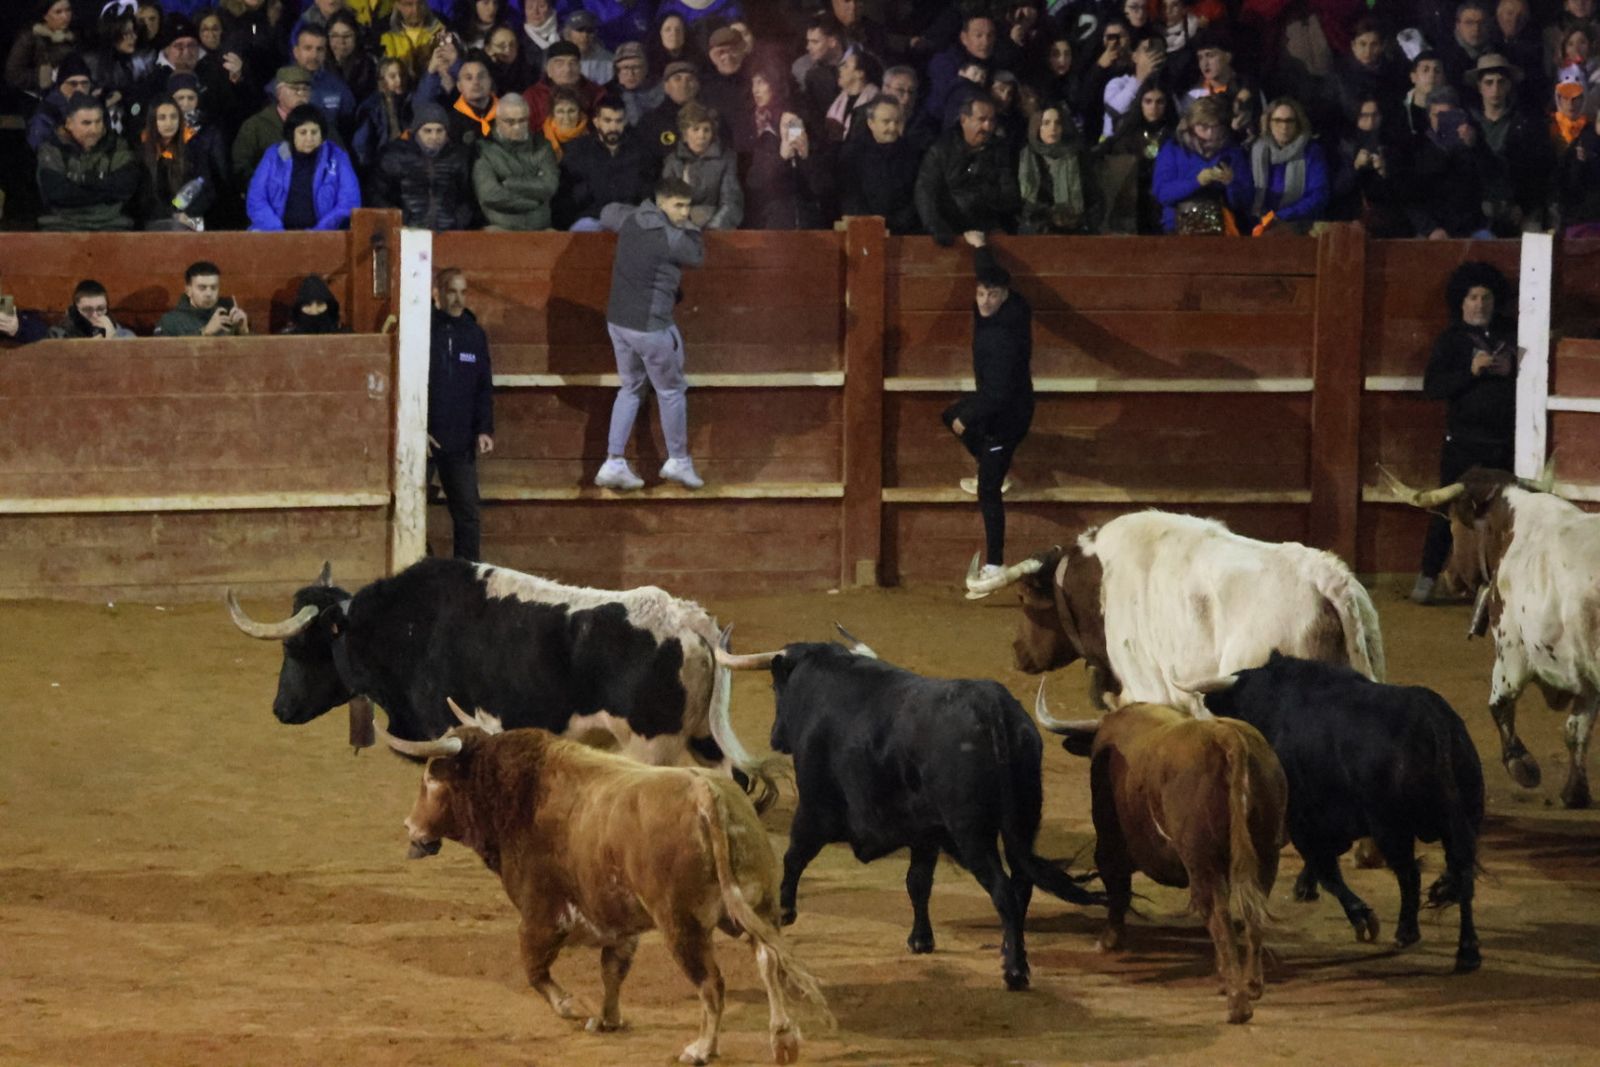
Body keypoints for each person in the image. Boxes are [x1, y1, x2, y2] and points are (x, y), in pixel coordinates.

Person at [1411, 262, 1518, 604]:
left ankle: (1505, 584)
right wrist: (1470, 372)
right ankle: (1427, 577)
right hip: (1464, 444)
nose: (1480, 304)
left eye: (1486, 297)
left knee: (1507, 514)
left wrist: (1514, 369)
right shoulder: (1451, 340)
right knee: (1446, 510)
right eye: (1473, 297)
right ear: (1461, 301)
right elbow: (1432, 388)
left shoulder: (1511, 335)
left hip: (1506, 443)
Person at [593, 177, 706, 492]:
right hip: (650, 326)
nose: (684, 212)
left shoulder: (631, 218)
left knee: (630, 388)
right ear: (662, 203)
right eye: (678, 205)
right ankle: (678, 459)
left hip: (618, 322)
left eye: (687, 206)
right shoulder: (672, 237)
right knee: (671, 390)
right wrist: (694, 225)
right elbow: (696, 255)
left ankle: (614, 460)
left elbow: (606, 213)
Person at [949, 232, 1032, 590]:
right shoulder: (1015, 305)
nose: (984, 301)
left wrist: (966, 418)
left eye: (992, 295)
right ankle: (992, 467)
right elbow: (987, 272)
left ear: (1005, 296)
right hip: (1003, 402)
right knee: (948, 416)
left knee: (987, 492)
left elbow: (997, 396)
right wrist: (980, 246)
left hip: (1006, 416)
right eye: (980, 293)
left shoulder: (1003, 338)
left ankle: (996, 564)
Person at [428, 267, 494, 562]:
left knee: (467, 514)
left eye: (462, 292)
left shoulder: (474, 334)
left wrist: (484, 429)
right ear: (437, 294)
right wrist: (416, 429)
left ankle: (467, 577)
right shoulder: (422, 330)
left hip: (460, 440)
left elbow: (483, 385)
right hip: (425, 440)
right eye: (452, 291)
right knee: (410, 510)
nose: (458, 298)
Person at [915, 94, 1022, 244]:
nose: (988, 127)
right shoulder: (941, 150)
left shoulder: (999, 151)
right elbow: (925, 192)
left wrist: (982, 195)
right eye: (982, 119)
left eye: (992, 120)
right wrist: (936, 226)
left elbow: (1010, 196)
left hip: (988, 230)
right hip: (951, 230)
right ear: (964, 119)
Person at [247, 103, 362, 231]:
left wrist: (317, 233)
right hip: (274, 234)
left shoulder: (338, 157)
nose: (309, 138)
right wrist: (278, 232)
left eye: (314, 132)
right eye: (303, 132)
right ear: (292, 134)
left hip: (324, 237)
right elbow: (256, 200)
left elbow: (349, 203)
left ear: (322, 134)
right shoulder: (273, 156)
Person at [36, 95, 140, 232]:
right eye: (86, 123)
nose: (94, 129)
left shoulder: (117, 146)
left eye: (98, 122)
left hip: (112, 225)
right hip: (61, 225)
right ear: (69, 124)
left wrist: (82, 181)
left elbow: (124, 187)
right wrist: (104, 187)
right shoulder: (52, 148)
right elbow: (57, 193)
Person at [1152, 93, 1251, 234]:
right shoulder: (1173, 149)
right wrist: (1197, 181)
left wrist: (1231, 183)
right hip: (1177, 228)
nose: (1210, 134)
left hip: (1223, 229)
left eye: (1215, 127)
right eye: (1204, 127)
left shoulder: (1232, 152)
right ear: (1191, 125)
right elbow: (1162, 194)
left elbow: (1245, 202)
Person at [555, 94, 656, 229]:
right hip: (590, 218)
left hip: (628, 218)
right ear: (597, 122)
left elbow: (648, 192)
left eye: (618, 121)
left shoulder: (640, 151)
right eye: (607, 121)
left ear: (625, 121)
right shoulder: (578, 150)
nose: (613, 127)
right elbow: (565, 193)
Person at [370, 102, 475, 231]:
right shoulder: (395, 156)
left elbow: (467, 198)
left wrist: (457, 223)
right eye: (428, 131)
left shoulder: (458, 157)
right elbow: (379, 196)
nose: (434, 137)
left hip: (449, 233)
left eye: (439, 131)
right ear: (416, 131)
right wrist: (400, 222)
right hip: (407, 232)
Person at [473, 93, 560, 230]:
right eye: (510, 122)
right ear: (497, 120)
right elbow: (490, 194)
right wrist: (533, 203)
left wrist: (509, 183)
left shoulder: (543, 146)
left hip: (541, 229)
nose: (517, 127)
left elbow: (549, 186)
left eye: (522, 120)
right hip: (501, 228)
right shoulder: (484, 149)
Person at [1247, 96, 1330, 235]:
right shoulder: (1257, 150)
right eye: (1278, 121)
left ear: (1298, 123)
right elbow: (1248, 192)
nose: (1284, 127)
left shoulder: (1311, 151)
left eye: (1289, 121)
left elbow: (1319, 194)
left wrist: (1282, 215)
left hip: (1299, 224)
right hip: (1258, 223)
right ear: (1268, 123)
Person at [839, 96, 922, 234]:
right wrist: (872, 223)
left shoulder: (912, 153)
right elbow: (850, 196)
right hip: (864, 232)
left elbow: (917, 195)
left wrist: (899, 223)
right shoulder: (852, 153)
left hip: (904, 232)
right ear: (871, 123)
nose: (893, 127)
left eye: (897, 121)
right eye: (886, 121)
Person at [661, 101, 742, 229]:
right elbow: (666, 201)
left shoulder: (726, 159)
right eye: (696, 129)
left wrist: (713, 230)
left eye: (706, 130)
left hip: (716, 229)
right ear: (685, 134)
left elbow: (731, 202)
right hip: (680, 228)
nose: (701, 135)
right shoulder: (673, 161)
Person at [1018, 101, 1088, 233]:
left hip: (1073, 228)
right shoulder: (1025, 157)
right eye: (1046, 123)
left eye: (1058, 123)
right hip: (1035, 228)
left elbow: (1093, 196)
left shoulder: (1076, 156)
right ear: (1037, 127)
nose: (1053, 128)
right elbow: (1021, 201)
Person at [157, 261, 250, 337]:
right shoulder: (170, 322)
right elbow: (159, 355)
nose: (209, 294)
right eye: (202, 288)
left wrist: (244, 332)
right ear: (188, 290)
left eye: (214, 288)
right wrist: (204, 333)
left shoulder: (228, 316)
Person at [6, 0, 79, 96]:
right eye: (58, 12)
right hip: (36, 96)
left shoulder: (72, 37)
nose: (65, 16)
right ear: (45, 16)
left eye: (68, 10)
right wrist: (46, 77)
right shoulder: (30, 38)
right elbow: (13, 74)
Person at [48, 279, 135, 339]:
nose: (95, 315)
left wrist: (113, 339)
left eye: (100, 309)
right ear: (75, 310)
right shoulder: (58, 335)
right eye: (87, 310)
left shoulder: (124, 335)